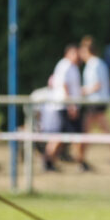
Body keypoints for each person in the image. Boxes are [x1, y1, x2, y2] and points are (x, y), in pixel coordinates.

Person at [44, 44, 88, 172]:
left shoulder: (71, 67)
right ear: (68, 53)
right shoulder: (65, 66)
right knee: (73, 135)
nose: (77, 56)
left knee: (61, 136)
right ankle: (81, 162)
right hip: (65, 106)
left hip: (67, 105)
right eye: (75, 53)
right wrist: (71, 105)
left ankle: (48, 161)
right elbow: (64, 86)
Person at [80, 36, 110, 163]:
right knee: (104, 129)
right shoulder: (98, 63)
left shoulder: (94, 64)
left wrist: (81, 91)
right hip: (98, 101)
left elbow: (97, 85)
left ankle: (81, 158)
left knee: (86, 130)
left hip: (95, 101)